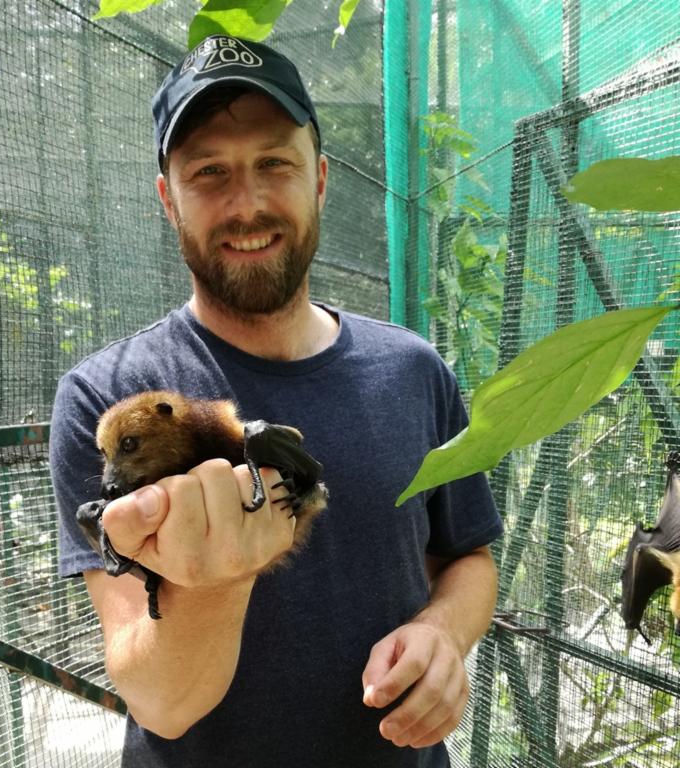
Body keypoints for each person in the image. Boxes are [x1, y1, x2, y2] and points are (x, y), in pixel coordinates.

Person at [50, 34, 503, 768]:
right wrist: (215, 580)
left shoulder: (414, 371)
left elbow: (469, 556)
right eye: (208, 172)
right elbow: (160, 701)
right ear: (168, 199)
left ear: (319, 178)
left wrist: (444, 635)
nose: (248, 203)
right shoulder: (103, 401)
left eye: (274, 164)